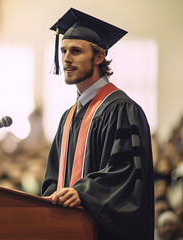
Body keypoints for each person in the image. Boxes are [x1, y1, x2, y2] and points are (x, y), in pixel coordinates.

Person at [40, 8, 154, 240]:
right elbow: (53, 179)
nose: (66, 59)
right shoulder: (68, 117)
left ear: (99, 57)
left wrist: (83, 193)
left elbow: (127, 175)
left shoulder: (121, 109)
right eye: (63, 51)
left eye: (76, 51)